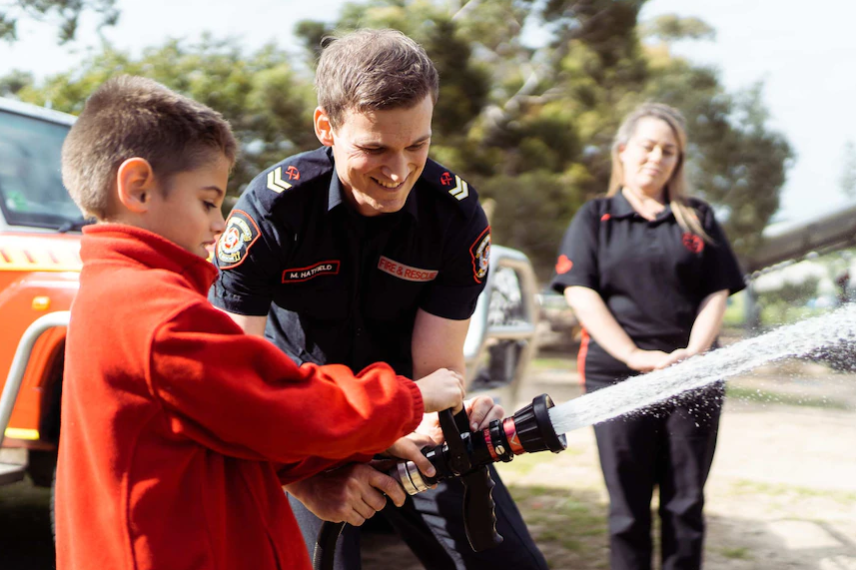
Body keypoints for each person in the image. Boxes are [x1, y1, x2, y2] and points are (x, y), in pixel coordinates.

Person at [54, 75, 467, 570]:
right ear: (137, 187)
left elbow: (233, 429)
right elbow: (280, 405)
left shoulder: (113, 293)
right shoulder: (158, 314)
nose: (218, 222)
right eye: (208, 201)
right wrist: (410, 397)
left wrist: (374, 438)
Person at [210, 28, 548, 570]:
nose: (398, 172)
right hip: (303, 436)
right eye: (374, 149)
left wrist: (448, 416)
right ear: (326, 126)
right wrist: (302, 477)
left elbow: (438, 368)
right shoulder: (273, 211)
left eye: (418, 145)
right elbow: (232, 383)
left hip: (408, 419)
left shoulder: (453, 215)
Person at [551, 103, 745, 570]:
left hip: (693, 374)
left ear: (679, 161)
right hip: (617, 375)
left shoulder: (697, 217)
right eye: (648, 146)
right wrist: (635, 355)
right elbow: (580, 293)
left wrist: (695, 355)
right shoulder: (595, 217)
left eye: (669, 151)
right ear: (623, 150)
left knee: (685, 503)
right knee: (627, 509)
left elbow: (716, 293)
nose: (657, 158)